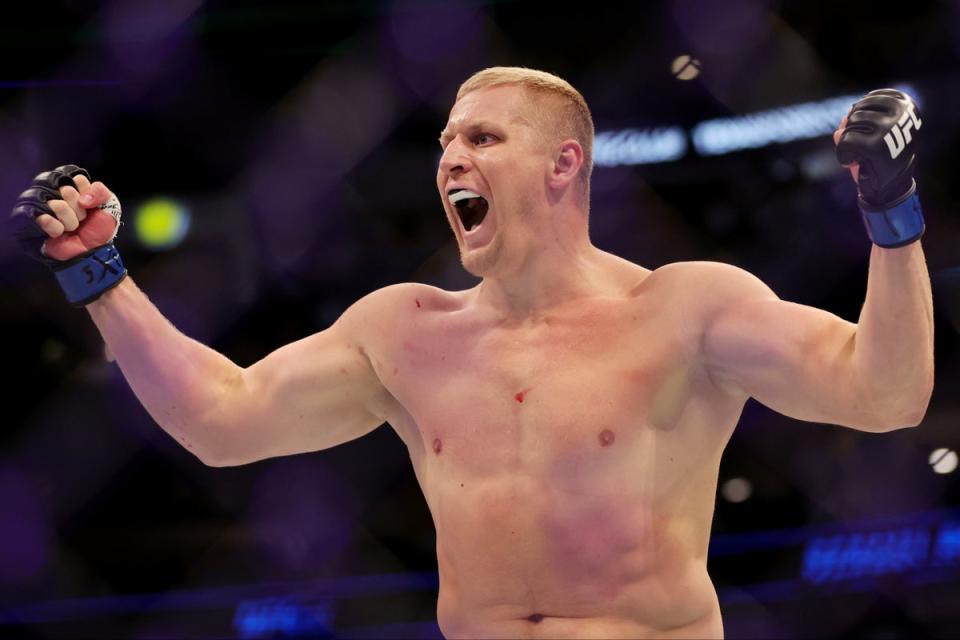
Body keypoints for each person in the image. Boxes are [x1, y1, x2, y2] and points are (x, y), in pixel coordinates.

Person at [11, 68, 933, 639]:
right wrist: (100, 274)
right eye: (446, 140)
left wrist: (890, 215)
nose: (451, 158)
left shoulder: (687, 307)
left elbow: (885, 393)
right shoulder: (405, 330)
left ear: (564, 165)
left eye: (483, 138)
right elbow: (222, 422)